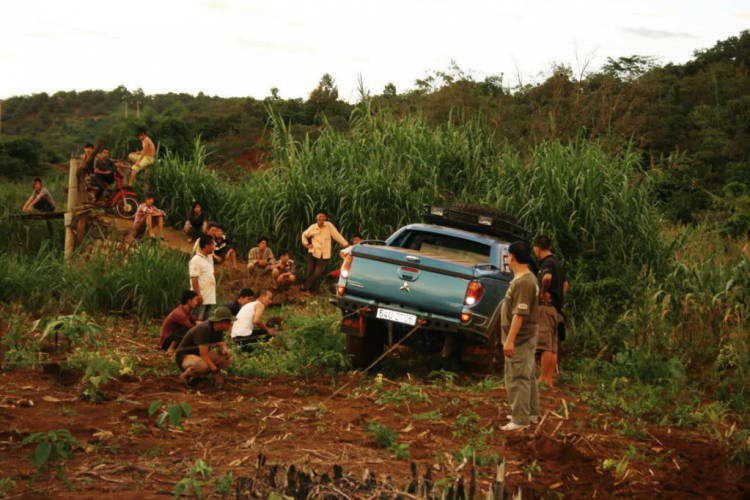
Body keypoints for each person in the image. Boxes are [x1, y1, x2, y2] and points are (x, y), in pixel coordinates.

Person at [501, 241, 540, 431]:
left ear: (512, 257)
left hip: (520, 339)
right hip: (523, 337)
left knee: (518, 377)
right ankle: (530, 412)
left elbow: (520, 314)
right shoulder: (525, 279)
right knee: (528, 375)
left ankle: (520, 420)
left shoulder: (524, 282)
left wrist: (510, 339)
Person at [533, 235, 569, 388]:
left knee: (545, 344)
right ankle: (549, 379)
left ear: (537, 248)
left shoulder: (547, 263)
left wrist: (543, 293)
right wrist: (558, 297)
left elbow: (546, 277)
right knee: (553, 345)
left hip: (546, 308)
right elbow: (566, 284)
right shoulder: (557, 263)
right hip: (554, 308)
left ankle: (542, 378)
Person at [176, 306, 235, 386]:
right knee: (202, 366)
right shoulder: (205, 329)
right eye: (230, 322)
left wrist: (224, 350)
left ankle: (199, 377)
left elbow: (221, 343)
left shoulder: (218, 329)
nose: (231, 325)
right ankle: (184, 377)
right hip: (185, 357)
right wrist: (216, 372)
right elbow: (204, 355)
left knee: (225, 359)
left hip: (198, 356)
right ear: (223, 322)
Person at [300, 211, 348, 292]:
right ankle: (311, 290)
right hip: (313, 252)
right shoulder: (313, 227)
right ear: (317, 217)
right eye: (320, 216)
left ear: (325, 218)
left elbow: (336, 235)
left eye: (323, 216)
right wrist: (306, 244)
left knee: (318, 273)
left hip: (323, 253)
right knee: (310, 271)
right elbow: (304, 235)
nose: (321, 218)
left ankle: (304, 286)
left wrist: (345, 244)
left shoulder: (328, 225)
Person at [190, 235, 217, 321]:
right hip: (201, 295)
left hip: (209, 296)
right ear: (206, 246)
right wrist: (198, 294)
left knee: (205, 320)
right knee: (197, 319)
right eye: (212, 245)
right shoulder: (196, 260)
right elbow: (194, 278)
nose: (213, 248)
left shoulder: (208, 258)